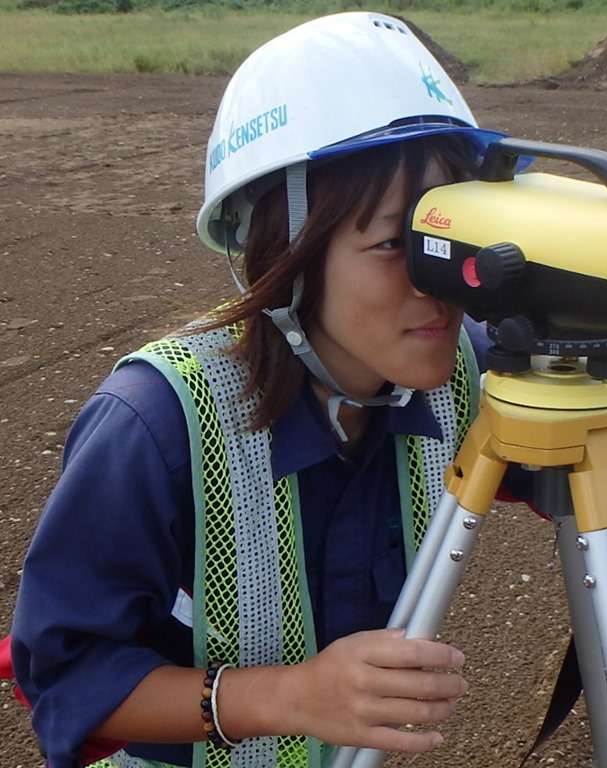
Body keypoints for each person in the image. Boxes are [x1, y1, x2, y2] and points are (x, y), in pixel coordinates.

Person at [7, 12, 525, 768]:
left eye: (452, 240)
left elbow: (565, 479)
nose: (439, 283)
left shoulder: (463, 368)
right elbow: (63, 677)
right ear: (284, 251)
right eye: (394, 245)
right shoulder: (152, 427)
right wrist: (287, 697)